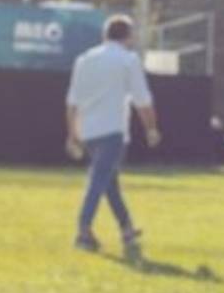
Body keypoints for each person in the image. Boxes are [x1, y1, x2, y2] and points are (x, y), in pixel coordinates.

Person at [65, 14, 161, 253]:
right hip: (113, 129)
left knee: (109, 182)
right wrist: (151, 128)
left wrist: (73, 134)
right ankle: (83, 229)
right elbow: (142, 99)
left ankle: (127, 229)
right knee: (99, 180)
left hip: (88, 130)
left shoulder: (85, 60)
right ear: (127, 36)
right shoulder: (128, 60)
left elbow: (73, 101)